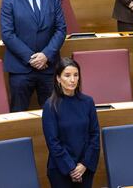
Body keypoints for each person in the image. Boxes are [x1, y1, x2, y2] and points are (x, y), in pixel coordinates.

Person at [0, 0, 66, 112]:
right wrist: (32, 58)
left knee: (54, 113)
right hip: (20, 68)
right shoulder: (9, 0)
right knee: (18, 114)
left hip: (48, 67)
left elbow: (61, 29)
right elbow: (7, 34)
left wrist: (45, 55)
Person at [42, 57, 100, 187]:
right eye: (67, 75)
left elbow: (95, 135)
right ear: (58, 78)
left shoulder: (88, 102)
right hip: (61, 169)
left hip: (85, 168)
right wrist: (71, 168)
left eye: (76, 75)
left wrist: (84, 164)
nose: (72, 80)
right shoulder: (50, 106)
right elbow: (53, 142)